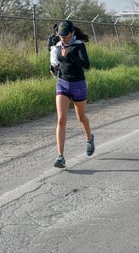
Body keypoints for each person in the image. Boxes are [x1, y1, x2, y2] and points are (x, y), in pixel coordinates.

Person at [50, 20, 94, 169]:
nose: (63, 38)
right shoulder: (57, 46)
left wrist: (70, 55)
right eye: (60, 36)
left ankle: (89, 138)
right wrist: (54, 69)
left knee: (81, 117)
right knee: (61, 120)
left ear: (72, 33)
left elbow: (86, 64)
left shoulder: (79, 45)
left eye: (65, 36)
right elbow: (57, 63)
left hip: (78, 84)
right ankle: (60, 157)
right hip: (62, 83)